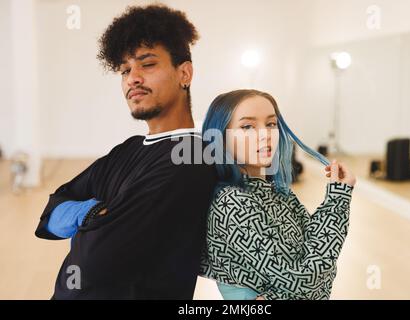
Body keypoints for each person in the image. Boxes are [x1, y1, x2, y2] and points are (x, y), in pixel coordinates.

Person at [35, 4, 216, 299]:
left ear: (184, 73)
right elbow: (50, 212)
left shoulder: (191, 157)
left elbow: (96, 260)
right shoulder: (127, 149)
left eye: (147, 64)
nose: (132, 78)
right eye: (125, 70)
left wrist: (80, 223)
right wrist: (90, 211)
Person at [199, 89, 356, 300]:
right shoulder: (232, 202)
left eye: (271, 124)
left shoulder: (276, 191)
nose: (265, 134)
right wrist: (338, 199)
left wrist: (337, 194)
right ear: (220, 138)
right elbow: (307, 279)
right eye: (247, 126)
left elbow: (317, 262)